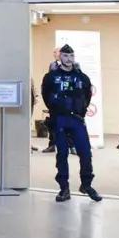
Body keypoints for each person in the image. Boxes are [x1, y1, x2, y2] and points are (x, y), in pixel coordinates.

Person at [42, 44, 101, 202]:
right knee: (62, 154)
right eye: (66, 56)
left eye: (71, 56)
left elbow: (87, 96)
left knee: (85, 153)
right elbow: (45, 94)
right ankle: (64, 188)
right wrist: (55, 110)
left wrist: (80, 110)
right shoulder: (51, 77)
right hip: (59, 119)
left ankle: (86, 185)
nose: (69, 59)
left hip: (77, 119)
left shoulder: (82, 77)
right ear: (60, 57)